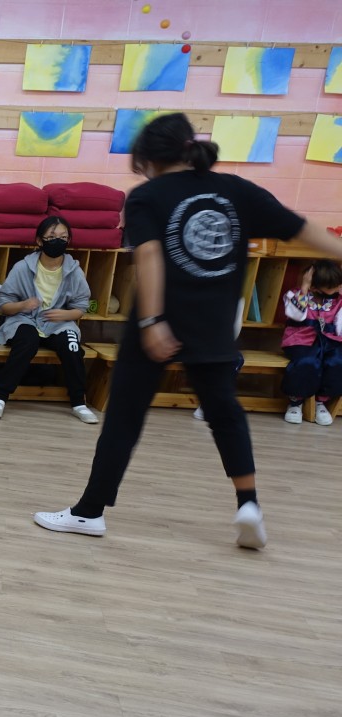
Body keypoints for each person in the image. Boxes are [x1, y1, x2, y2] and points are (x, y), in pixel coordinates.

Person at [34, 113, 342, 549]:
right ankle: (249, 506)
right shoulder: (236, 190)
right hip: (213, 325)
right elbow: (304, 229)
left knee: (124, 417)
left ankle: (89, 512)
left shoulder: (147, 196)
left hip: (157, 324)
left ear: (147, 158)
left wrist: (153, 321)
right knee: (224, 412)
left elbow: (150, 257)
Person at [0, 216, 99, 424]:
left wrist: (66, 315)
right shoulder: (23, 267)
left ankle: (79, 403)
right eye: (52, 237)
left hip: (58, 323)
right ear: (39, 241)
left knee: (72, 346)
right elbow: (3, 305)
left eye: (63, 237)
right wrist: (23, 305)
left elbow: (81, 307)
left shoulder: (74, 271)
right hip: (24, 319)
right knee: (26, 342)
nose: (58, 241)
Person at [281, 259, 342, 425]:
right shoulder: (294, 295)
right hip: (300, 340)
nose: (337, 288)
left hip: (331, 340)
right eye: (332, 286)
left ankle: (321, 401)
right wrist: (304, 287)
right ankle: (296, 402)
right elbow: (295, 315)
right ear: (315, 287)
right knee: (307, 361)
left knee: (338, 361)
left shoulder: (339, 299)